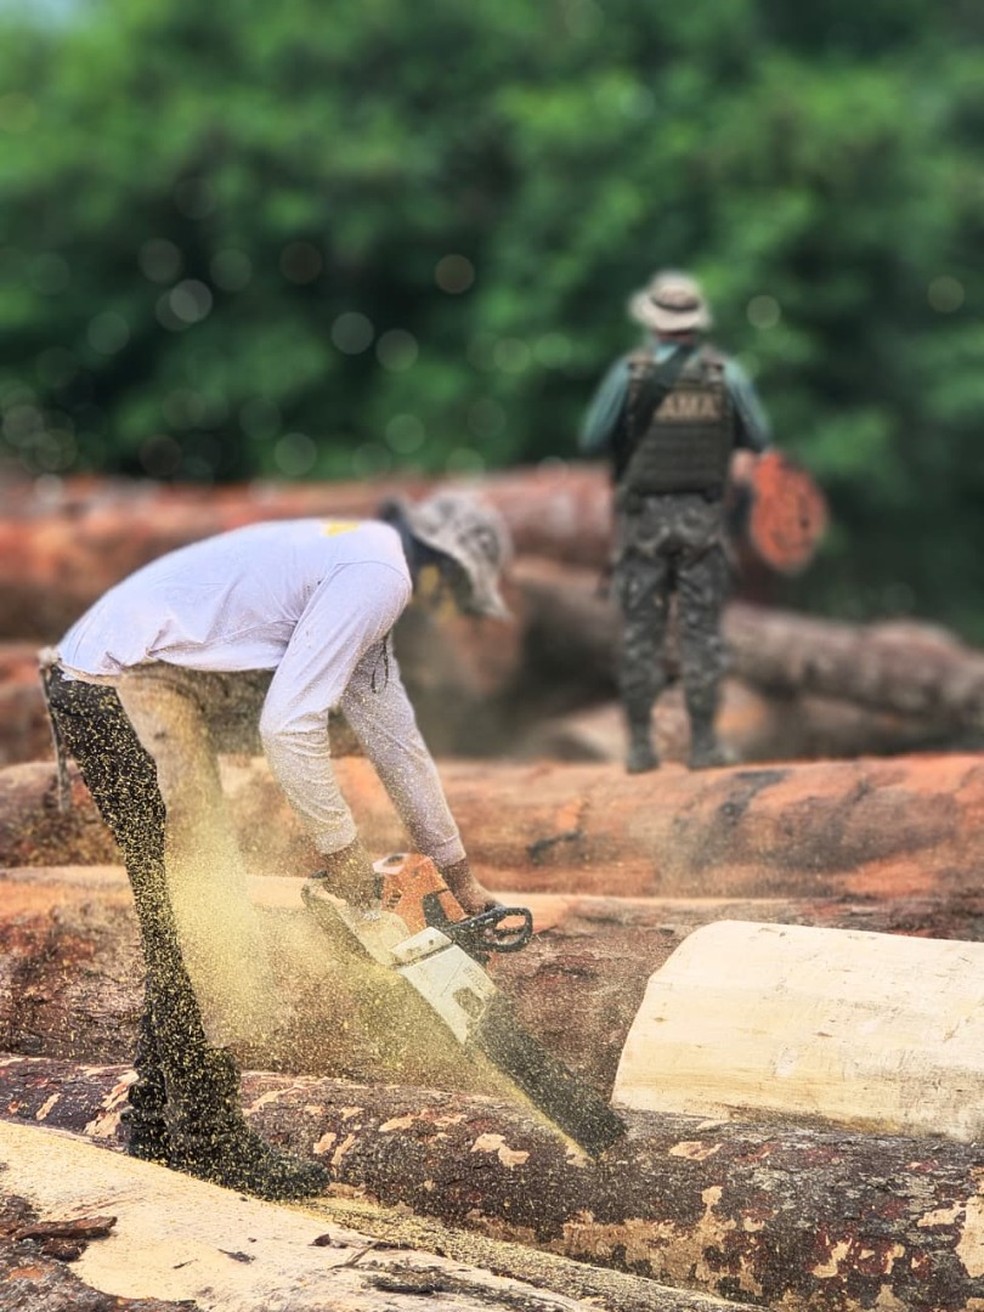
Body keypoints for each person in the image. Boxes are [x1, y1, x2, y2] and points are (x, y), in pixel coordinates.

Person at [40, 491, 512, 1200]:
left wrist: (459, 876)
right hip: (119, 684)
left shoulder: (364, 571)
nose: (449, 613)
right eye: (460, 595)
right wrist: (342, 856)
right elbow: (288, 726)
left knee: (181, 913)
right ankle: (209, 1138)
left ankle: (159, 1122)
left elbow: (397, 741)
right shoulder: (381, 574)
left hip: (117, 679)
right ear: (444, 568)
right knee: (205, 904)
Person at [581, 270, 771, 773]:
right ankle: (704, 744)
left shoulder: (630, 374)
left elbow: (593, 436)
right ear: (694, 325)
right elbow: (759, 436)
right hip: (702, 521)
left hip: (643, 521)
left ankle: (641, 747)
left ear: (654, 323)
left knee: (641, 633)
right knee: (701, 633)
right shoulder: (724, 375)